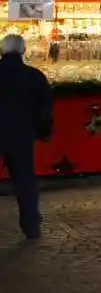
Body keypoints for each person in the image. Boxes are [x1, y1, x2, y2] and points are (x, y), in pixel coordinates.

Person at [0, 34, 53, 239]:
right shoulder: (34, 76)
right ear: (24, 51)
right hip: (22, 135)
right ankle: (30, 224)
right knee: (25, 182)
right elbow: (44, 110)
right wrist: (44, 132)